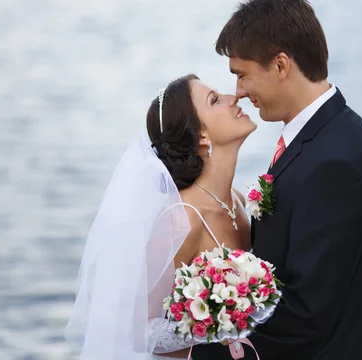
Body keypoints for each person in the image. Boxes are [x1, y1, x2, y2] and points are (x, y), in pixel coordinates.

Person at [190, 0, 362, 360]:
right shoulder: (324, 136)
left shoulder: (335, 161)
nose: (239, 92)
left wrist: (196, 353)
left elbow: (307, 314)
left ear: (281, 65)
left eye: (243, 75)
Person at [65, 74, 258, 359]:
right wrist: (212, 326)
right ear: (201, 135)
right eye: (215, 100)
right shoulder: (181, 218)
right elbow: (137, 331)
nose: (234, 98)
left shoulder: (239, 200)